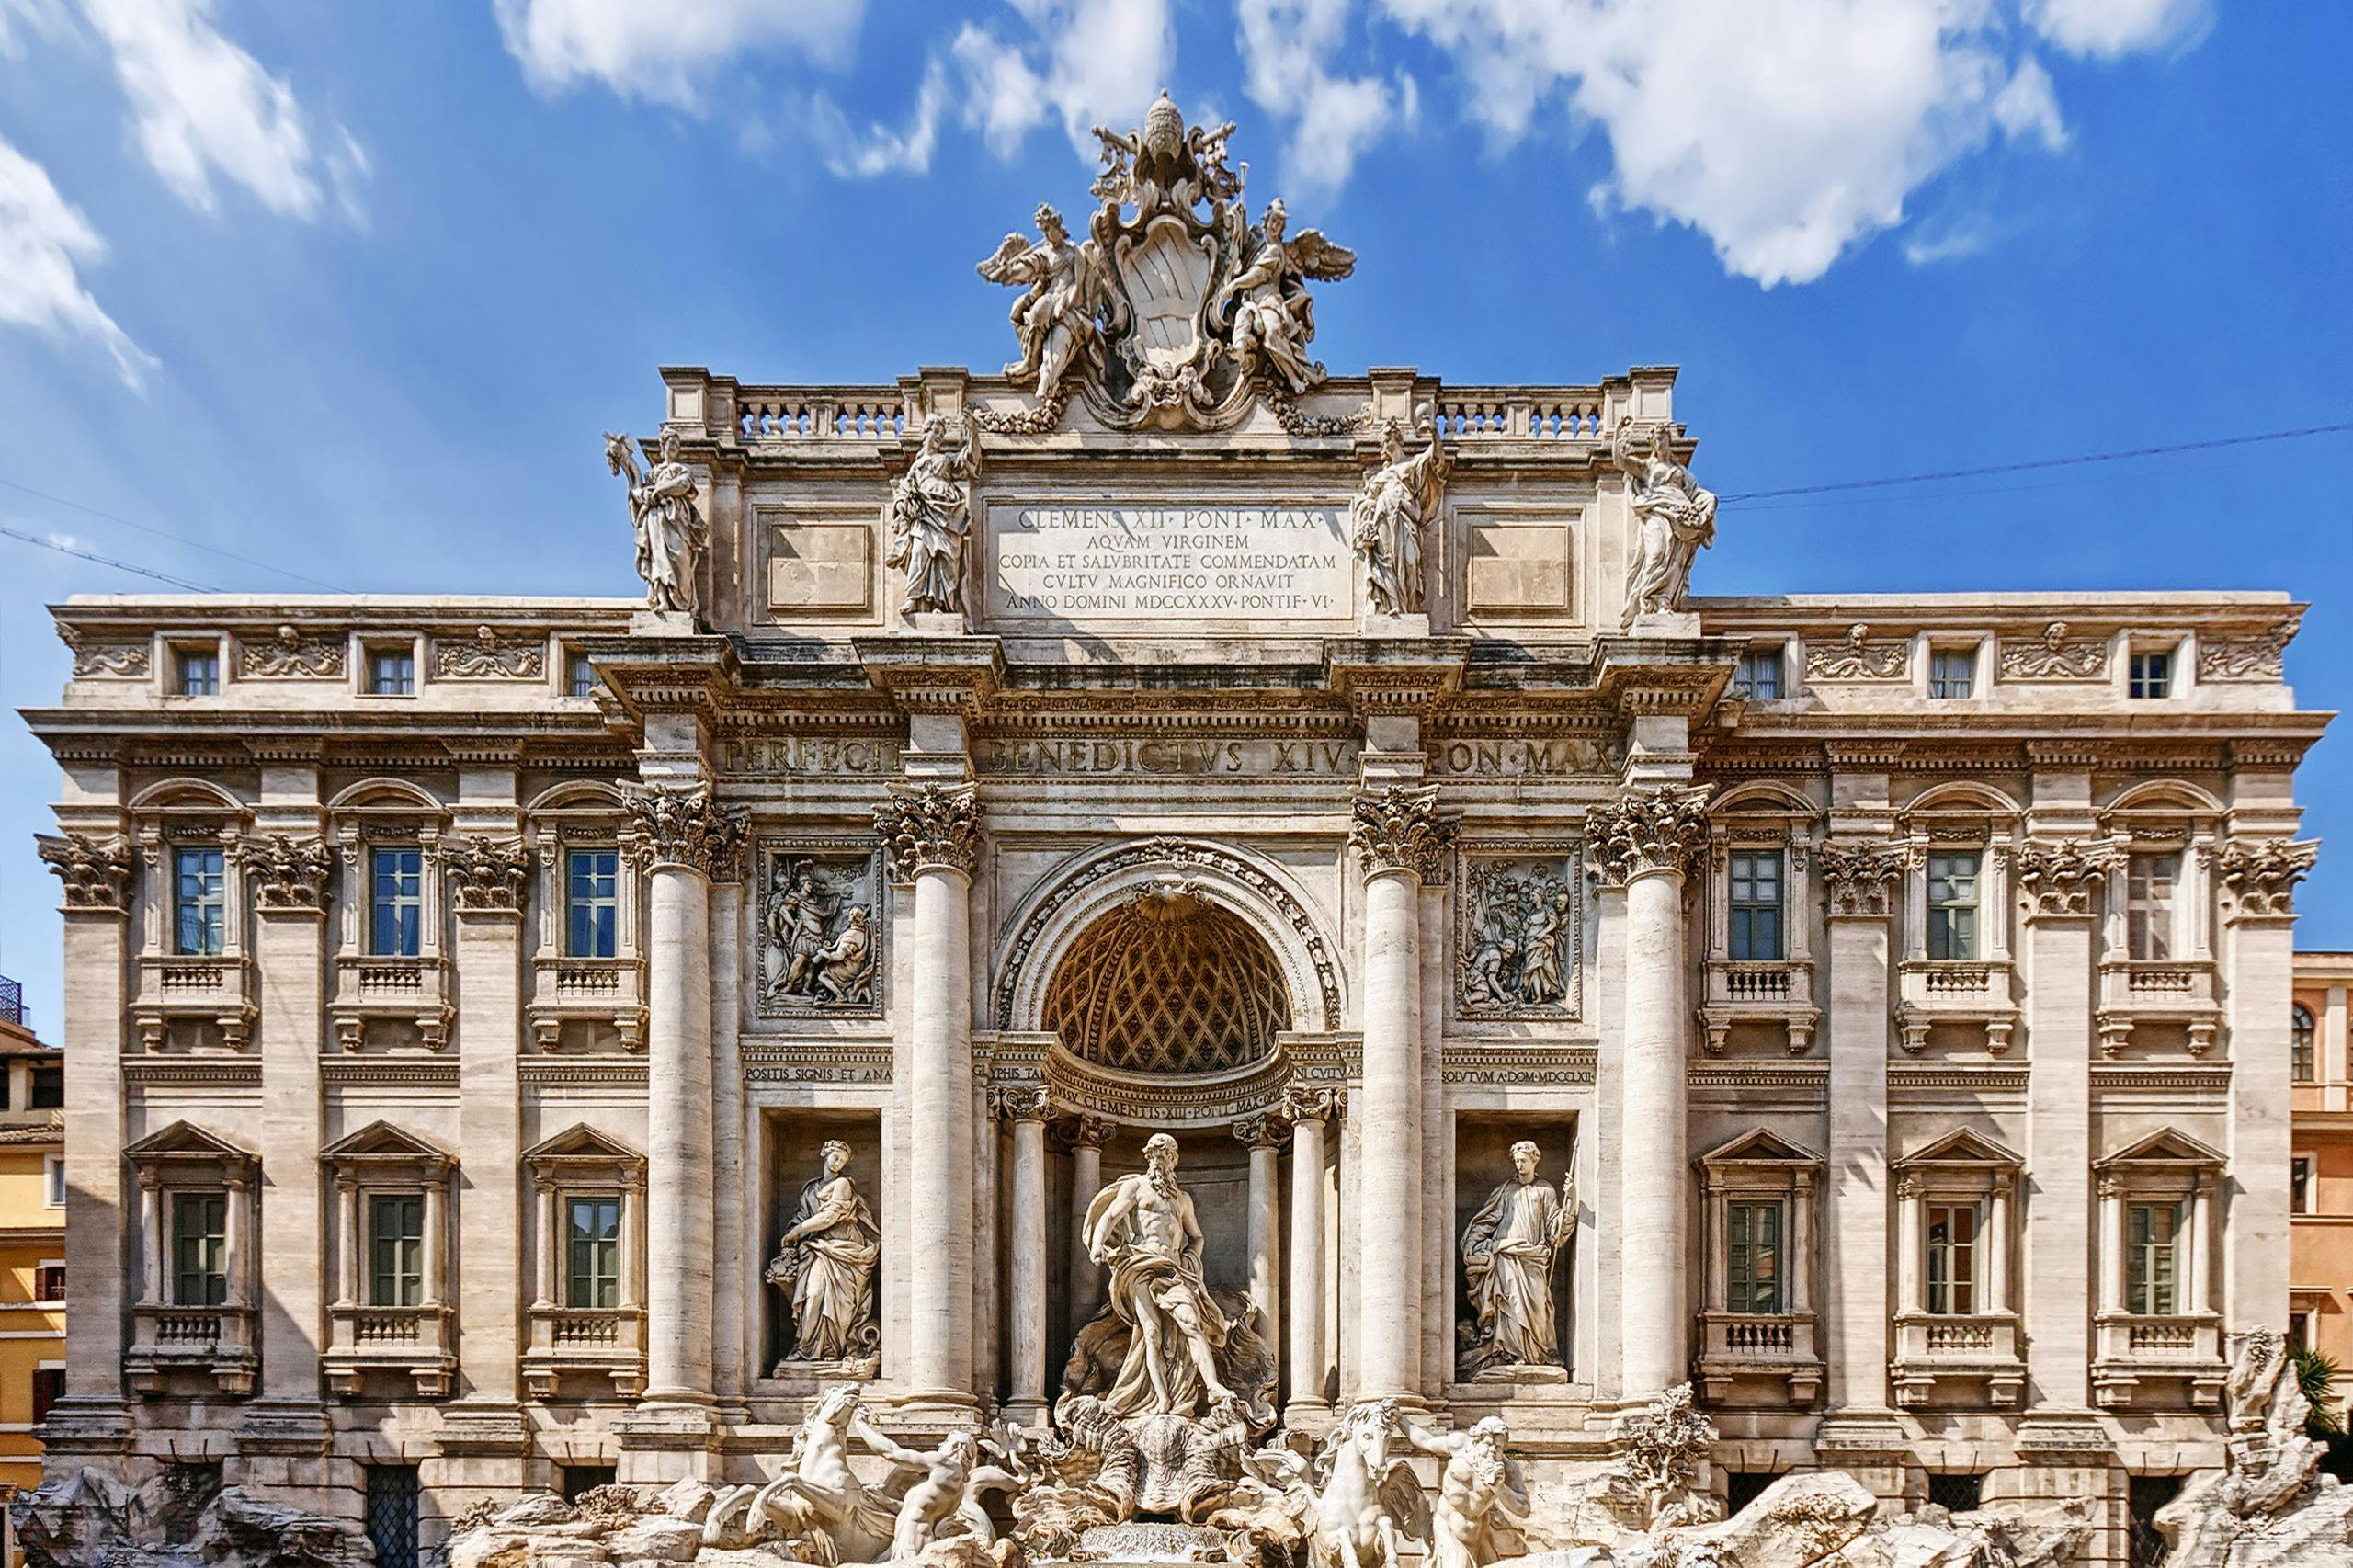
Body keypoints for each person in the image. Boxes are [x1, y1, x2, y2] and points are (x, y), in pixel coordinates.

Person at [1083, 1132, 1234, 1415]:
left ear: (1174, 1161)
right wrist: (1096, 1246)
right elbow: (1110, 1217)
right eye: (1154, 1155)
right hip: (1141, 1266)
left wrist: (1191, 1259)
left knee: (1191, 1323)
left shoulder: (1182, 1200)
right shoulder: (1136, 1187)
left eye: (1165, 1156)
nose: (1159, 1161)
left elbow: (1197, 1237)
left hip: (1174, 1270)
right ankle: (1162, 1399)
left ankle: (1212, 1386)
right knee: (1151, 1333)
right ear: (1148, 1157)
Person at [1459, 1141, 1574, 1376]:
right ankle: (1511, 1354)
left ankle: (1537, 1354)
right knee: (1509, 1304)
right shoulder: (1505, 1191)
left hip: (1533, 1257)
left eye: (1524, 1160)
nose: (1520, 1165)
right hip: (1507, 1256)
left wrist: (1570, 1198)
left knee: (1538, 1307)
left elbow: (1555, 1229)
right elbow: (1487, 1221)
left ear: (1535, 1160)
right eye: (1517, 1161)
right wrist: (1472, 1243)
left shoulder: (1546, 1191)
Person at [767, 1140, 880, 1364]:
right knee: (815, 1294)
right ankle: (806, 1346)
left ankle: (832, 1348)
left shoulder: (843, 1185)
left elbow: (830, 1217)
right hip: (818, 1249)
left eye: (843, 1161)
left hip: (843, 1249)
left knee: (834, 1301)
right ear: (824, 1154)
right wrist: (793, 1230)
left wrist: (799, 1230)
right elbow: (801, 1217)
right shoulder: (810, 1189)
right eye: (835, 1157)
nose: (838, 1163)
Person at [1405, 1416, 1529, 1568]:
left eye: (1498, 1447)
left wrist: (1500, 1488)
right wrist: (1399, 1420)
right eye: (1489, 1444)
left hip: (1478, 1534)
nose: (1492, 1450)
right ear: (1477, 1441)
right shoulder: (1460, 1445)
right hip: (1447, 1528)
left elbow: (1524, 1509)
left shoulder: (1508, 1469)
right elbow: (1426, 1441)